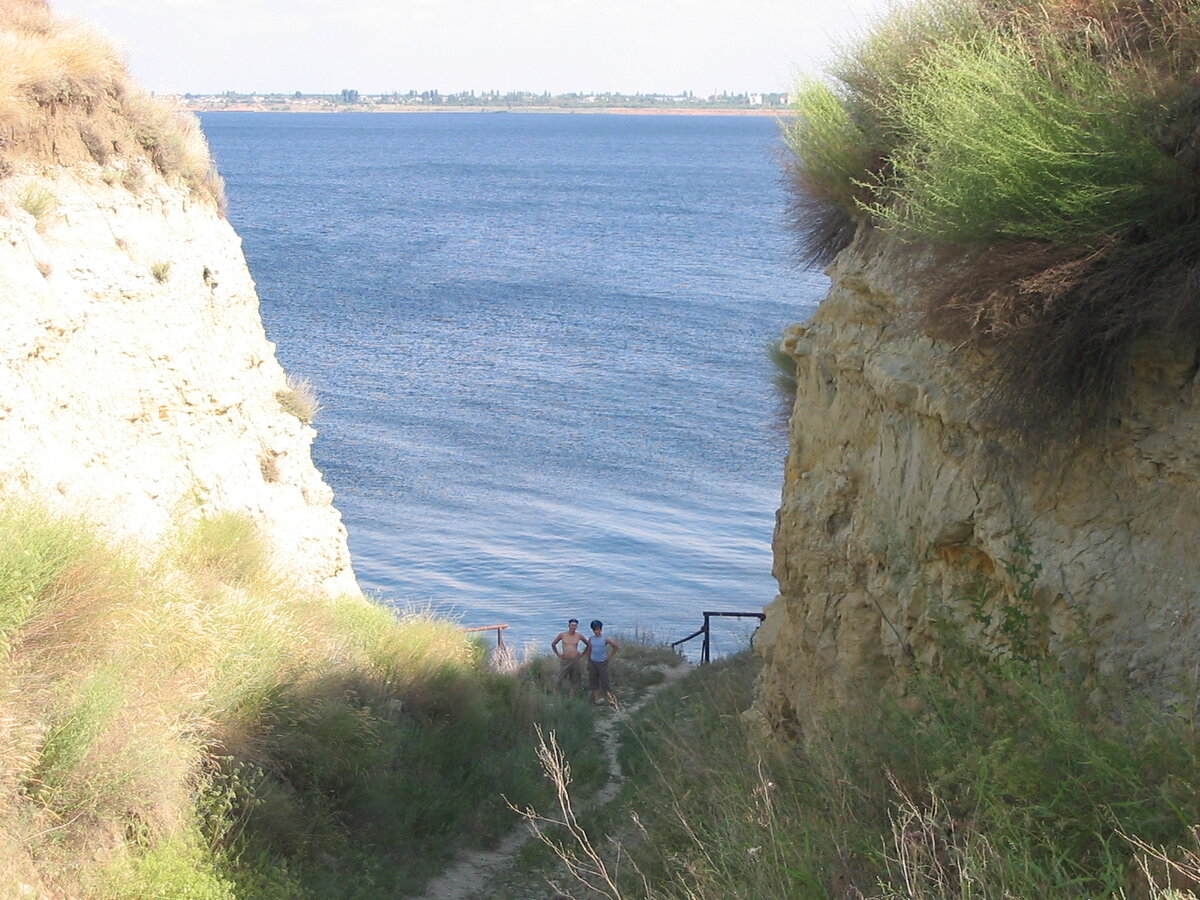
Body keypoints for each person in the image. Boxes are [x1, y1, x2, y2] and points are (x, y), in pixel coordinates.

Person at [551, 618, 589, 695]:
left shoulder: (579, 636)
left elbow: (588, 644)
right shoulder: (562, 635)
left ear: (577, 626)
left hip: (575, 660)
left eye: (575, 625)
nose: (573, 627)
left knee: (575, 678)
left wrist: (582, 654)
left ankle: (572, 696)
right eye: (572, 625)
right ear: (569, 625)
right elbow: (553, 644)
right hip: (565, 660)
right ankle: (555, 693)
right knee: (560, 677)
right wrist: (558, 654)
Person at [586, 619, 619, 706]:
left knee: (605, 681)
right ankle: (597, 699)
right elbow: (589, 650)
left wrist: (608, 658)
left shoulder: (605, 639)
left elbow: (615, 646)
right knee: (594, 681)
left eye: (598, 629)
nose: (596, 631)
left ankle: (612, 699)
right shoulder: (591, 639)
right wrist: (588, 662)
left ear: (601, 629)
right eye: (594, 629)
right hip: (593, 662)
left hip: (602, 662)